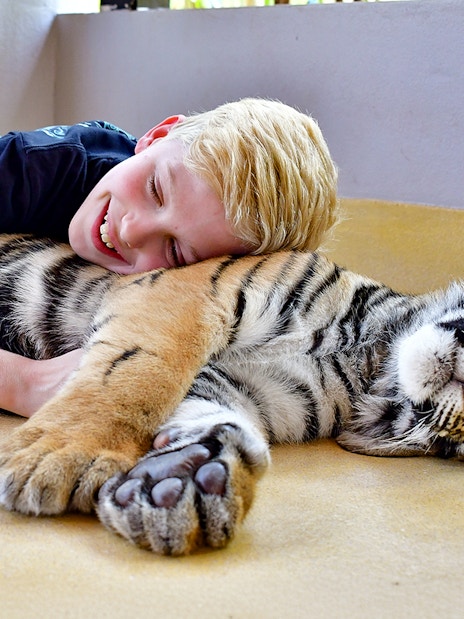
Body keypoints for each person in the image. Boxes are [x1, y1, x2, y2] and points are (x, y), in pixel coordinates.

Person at [0, 98, 338, 417]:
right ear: (157, 136)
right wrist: (28, 382)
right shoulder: (38, 165)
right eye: (155, 189)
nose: (132, 231)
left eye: (175, 250)